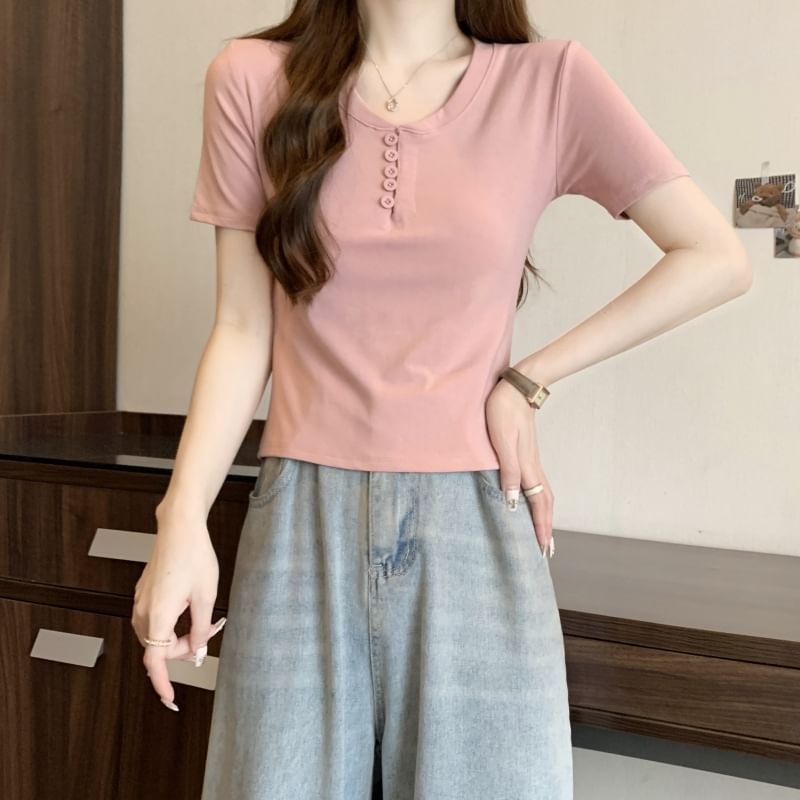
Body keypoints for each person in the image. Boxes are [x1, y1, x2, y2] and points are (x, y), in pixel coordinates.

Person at [131, 1, 752, 798]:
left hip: (475, 526)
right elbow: (244, 328)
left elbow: (714, 256)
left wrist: (527, 382)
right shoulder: (251, 79)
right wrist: (181, 520)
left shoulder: (549, 81)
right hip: (299, 529)